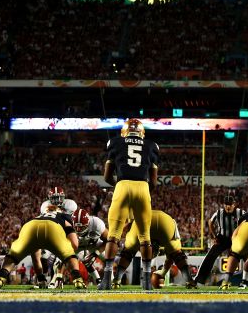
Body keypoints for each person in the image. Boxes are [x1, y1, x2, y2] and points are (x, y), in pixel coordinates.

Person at [98, 118, 160, 290]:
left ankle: (107, 280)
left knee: (113, 235)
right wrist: (143, 193)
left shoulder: (115, 142)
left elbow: (107, 177)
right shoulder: (152, 145)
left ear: (124, 131)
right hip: (143, 187)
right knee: (144, 237)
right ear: (142, 132)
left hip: (122, 186)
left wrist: (120, 186)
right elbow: (154, 182)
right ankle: (146, 282)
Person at [0, 210, 86, 290]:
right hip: (53, 227)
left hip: (30, 226)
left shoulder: (39, 216)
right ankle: (77, 279)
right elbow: (75, 244)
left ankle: (0, 277)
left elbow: (36, 260)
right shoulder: (64, 216)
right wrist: (66, 253)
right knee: (69, 254)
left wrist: (41, 278)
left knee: (13, 255)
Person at [111, 210, 196, 289]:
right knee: (177, 255)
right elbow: (172, 257)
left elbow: (126, 256)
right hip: (165, 221)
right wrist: (163, 272)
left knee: (127, 253)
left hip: (144, 220)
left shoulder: (137, 240)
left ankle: (116, 280)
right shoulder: (164, 241)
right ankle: (189, 281)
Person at [195, 195, 245, 285]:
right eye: (226, 204)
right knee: (210, 256)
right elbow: (210, 222)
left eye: (230, 204)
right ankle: (199, 280)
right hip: (222, 238)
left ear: (234, 205)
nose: (228, 206)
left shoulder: (241, 212)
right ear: (223, 205)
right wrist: (215, 236)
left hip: (236, 239)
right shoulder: (219, 213)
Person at [37, 187, 79, 289]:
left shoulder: (70, 204)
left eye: (59, 198)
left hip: (65, 233)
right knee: (43, 257)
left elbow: (71, 221)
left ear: (63, 197)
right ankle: (46, 277)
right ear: (49, 198)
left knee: (60, 258)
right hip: (52, 233)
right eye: (54, 198)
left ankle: (55, 280)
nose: (57, 201)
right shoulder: (45, 205)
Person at [72, 208, 108, 285]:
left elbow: (109, 240)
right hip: (78, 245)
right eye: (76, 227)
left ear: (88, 224)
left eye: (82, 227)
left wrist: (95, 254)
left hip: (93, 244)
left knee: (107, 257)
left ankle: (111, 280)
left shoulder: (96, 223)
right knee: (66, 257)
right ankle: (98, 280)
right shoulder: (67, 225)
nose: (78, 230)